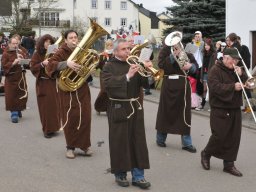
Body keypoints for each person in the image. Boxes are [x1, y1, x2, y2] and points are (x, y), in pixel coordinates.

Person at [101, 38, 151, 189]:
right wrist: (127, 76)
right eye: (124, 49)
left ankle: (138, 176)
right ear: (115, 51)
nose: (128, 52)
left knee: (138, 141)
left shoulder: (133, 62)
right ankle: (120, 174)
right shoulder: (108, 66)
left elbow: (145, 84)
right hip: (118, 107)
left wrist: (146, 71)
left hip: (135, 107)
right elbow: (108, 85)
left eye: (128, 48)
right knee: (119, 141)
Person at [200, 48, 248, 177]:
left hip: (235, 107)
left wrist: (242, 73)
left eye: (237, 60)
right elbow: (215, 88)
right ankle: (206, 153)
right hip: (220, 107)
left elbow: (247, 83)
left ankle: (229, 164)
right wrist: (233, 87)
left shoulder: (236, 70)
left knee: (234, 136)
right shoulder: (214, 70)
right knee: (219, 135)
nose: (235, 63)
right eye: (233, 60)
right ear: (226, 58)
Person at [46, 30, 92, 159]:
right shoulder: (61, 51)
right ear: (65, 40)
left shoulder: (83, 49)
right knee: (70, 118)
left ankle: (84, 145)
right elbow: (50, 65)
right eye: (70, 38)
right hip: (67, 90)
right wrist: (67, 64)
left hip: (82, 88)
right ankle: (70, 147)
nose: (74, 40)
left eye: (75, 37)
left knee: (85, 117)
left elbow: (92, 64)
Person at [155, 32, 198, 153]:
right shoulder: (165, 51)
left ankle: (186, 143)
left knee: (184, 114)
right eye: (173, 41)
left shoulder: (187, 52)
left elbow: (195, 69)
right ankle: (160, 139)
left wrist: (190, 66)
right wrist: (173, 56)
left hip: (183, 86)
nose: (175, 44)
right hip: (168, 85)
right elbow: (161, 65)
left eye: (177, 41)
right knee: (165, 112)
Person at [30, 34, 61, 138]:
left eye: (50, 42)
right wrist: (42, 64)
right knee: (45, 107)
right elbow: (33, 67)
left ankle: (54, 127)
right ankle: (47, 130)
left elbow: (59, 67)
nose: (48, 44)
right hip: (43, 83)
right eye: (46, 41)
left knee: (54, 107)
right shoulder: (37, 54)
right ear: (42, 43)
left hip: (52, 82)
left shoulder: (54, 54)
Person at [1, 37, 29, 123]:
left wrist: (24, 61)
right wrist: (13, 62)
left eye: (16, 43)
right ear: (9, 44)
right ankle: (14, 113)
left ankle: (19, 109)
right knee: (12, 96)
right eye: (13, 43)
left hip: (20, 76)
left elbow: (27, 65)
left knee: (21, 94)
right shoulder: (6, 54)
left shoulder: (21, 51)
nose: (15, 45)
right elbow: (4, 66)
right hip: (11, 78)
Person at [195, 38, 216, 111]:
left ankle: (211, 105)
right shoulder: (204, 54)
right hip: (204, 73)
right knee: (204, 89)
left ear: (210, 46)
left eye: (207, 45)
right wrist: (201, 76)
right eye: (205, 45)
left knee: (210, 90)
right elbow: (203, 65)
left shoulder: (213, 54)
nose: (206, 47)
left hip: (211, 74)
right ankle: (202, 105)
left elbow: (214, 66)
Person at [94, 39, 113, 114]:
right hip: (103, 75)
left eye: (111, 45)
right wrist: (94, 68)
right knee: (104, 91)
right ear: (106, 46)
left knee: (110, 91)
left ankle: (107, 108)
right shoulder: (102, 55)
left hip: (112, 75)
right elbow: (97, 65)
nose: (110, 46)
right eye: (108, 45)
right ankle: (98, 106)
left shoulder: (115, 54)